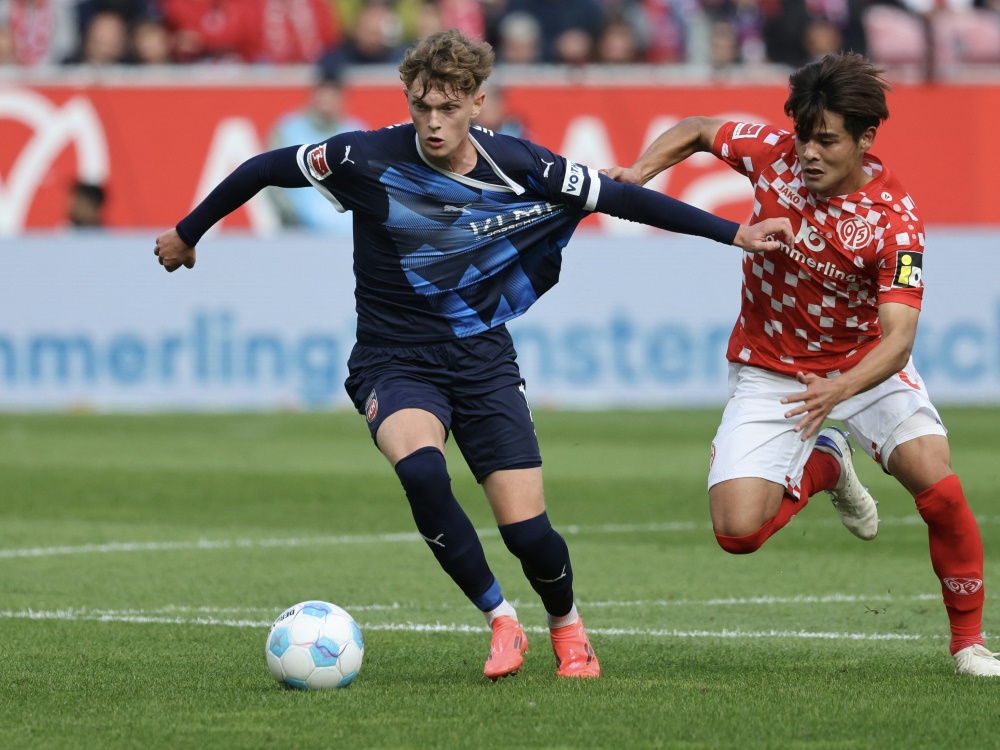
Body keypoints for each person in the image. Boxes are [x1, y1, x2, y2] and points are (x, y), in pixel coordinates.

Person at [153, 29, 791, 681]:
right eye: (422, 106)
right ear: (409, 99)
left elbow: (621, 196)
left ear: (478, 103)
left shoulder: (520, 164)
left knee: (528, 534)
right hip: (391, 359)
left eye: (449, 108)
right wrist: (187, 232)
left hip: (482, 359)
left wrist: (734, 231)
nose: (434, 122)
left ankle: (567, 625)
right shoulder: (361, 157)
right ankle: (500, 618)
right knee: (423, 473)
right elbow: (264, 168)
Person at [603, 52, 1000, 677]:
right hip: (772, 368)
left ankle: (969, 643)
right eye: (803, 137)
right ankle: (826, 464)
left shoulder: (894, 222)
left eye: (827, 140)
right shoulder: (773, 156)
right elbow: (700, 128)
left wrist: (841, 385)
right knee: (737, 532)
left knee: (939, 487)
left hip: (863, 367)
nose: (808, 153)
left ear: (866, 139)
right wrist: (641, 171)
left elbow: (897, 342)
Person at [266, 61, 366, 234]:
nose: (327, 97)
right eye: (323, 90)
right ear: (313, 93)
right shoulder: (287, 131)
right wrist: (293, 219)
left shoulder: (358, 132)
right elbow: (272, 183)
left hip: (349, 237)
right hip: (300, 234)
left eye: (333, 92)